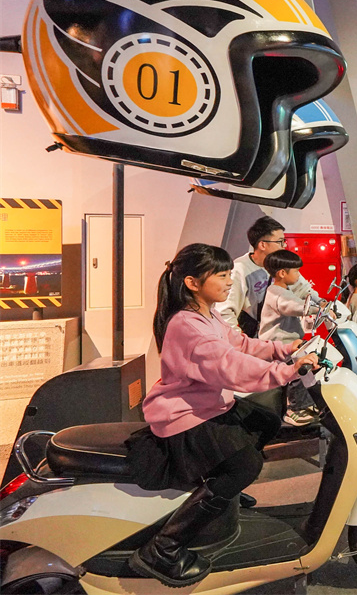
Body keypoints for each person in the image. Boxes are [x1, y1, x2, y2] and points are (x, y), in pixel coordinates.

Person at [125, 243, 317, 587]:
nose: (230, 281)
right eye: (221, 274)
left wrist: (283, 349)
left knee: (266, 420)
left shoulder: (206, 315)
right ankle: (163, 548)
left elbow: (239, 344)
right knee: (246, 465)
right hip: (184, 412)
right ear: (192, 282)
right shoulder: (188, 325)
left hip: (207, 402)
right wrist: (284, 372)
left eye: (230, 273)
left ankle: (223, 489)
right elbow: (230, 366)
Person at [216, 216, 318, 338]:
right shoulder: (240, 269)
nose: (284, 245)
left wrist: (321, 303)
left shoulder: (281, 263)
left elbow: (303, 289)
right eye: (280, 241)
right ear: (263, 245)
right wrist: (241, 342)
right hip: (253, 338)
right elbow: (225, 311)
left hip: (276, 336)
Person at [260, 249, 319, 426]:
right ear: (282, 273)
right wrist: (320, 309)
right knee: (300, 369)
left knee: (310, 362)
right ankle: (294, 409)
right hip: (278, 345)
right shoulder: (277, 293)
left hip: (287, 342)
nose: (299, 275)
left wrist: (320, 302)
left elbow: (302, 300)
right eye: (296, 271)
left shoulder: (284, 289)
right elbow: (293, 306)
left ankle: (305, 403)